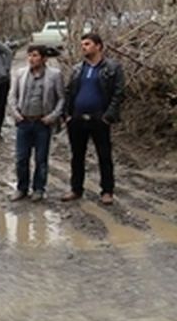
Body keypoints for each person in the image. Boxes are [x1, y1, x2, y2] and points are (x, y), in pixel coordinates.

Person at [61, 32, 125, 204]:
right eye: (82, 44)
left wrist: (108, 116)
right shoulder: (77, 69)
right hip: (77, 119)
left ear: (98, 46)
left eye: (87, 44)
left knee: (104, 155)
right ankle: (76, 188)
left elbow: (119, 93)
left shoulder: (112, 68)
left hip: (99, 118)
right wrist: (66, 115)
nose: (83, 47)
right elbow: (68, 92)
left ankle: (107, 191)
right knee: (77, 156)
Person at [11, 44, 65, 202]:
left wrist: (53, 116)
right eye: (29, 55)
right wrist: (15, 114)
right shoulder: (20, 73)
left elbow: (61, 98)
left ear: (44, 58)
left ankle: (39, 189)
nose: (31, 59)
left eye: (35, 55)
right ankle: (22, 188)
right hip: (23, 122)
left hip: (42, 123)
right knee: (21, 158)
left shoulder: (54, 75)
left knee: (41, 159)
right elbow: (12, 96)